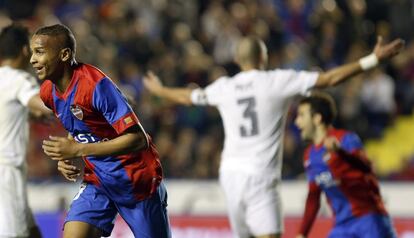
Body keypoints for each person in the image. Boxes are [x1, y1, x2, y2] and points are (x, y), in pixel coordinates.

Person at [143, 35, 404, 238]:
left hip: (230, 174)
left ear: (237, 57)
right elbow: (328, 79)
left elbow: (187, 97)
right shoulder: (277, 81)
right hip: (260, 174)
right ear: (263, 57)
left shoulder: (224, 87)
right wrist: (373, 59)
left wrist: (159, 89)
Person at [29, 24, 171, 238]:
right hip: (98, 181)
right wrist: (68, 155)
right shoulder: (48, 91)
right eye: (32, 52)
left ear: (65, 54)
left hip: (136, 181)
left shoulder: (95, 85)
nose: (32, 59)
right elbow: (78, 124)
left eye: (39, 52)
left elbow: (138, 139)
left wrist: (78, 149)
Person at [294, 92, 397, 238]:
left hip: (368, 218)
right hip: (341, 226)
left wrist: (340, 152)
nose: (297, 122)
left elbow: (367, 167)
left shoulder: (345, 139)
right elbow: (313, 197)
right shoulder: (309, 156)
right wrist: (301, 233)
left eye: (301, 115)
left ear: (317, 118)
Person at [0, 24, 51, 238]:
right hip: (6, 172)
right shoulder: (18, 79)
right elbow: (43, 104)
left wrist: (27, 114)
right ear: (24, 51)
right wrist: (93, 101)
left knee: (32, 232)